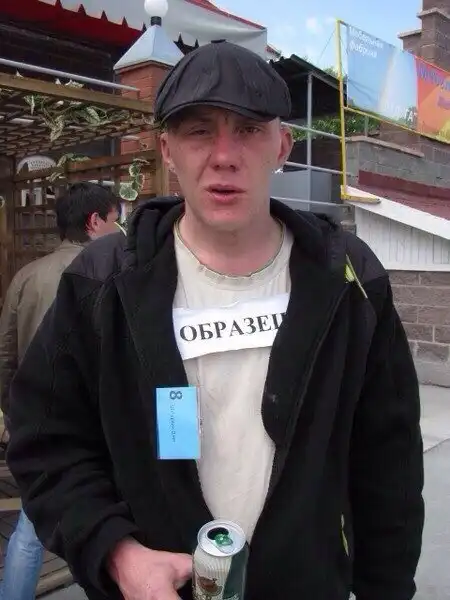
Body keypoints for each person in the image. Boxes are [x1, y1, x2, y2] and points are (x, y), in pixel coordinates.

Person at [6, 41, 423, 600]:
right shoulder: (103, 281)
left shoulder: (349, 280)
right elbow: (46, 443)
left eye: (248, 129)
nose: (225, 155)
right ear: (167, 150)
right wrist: (117, 553)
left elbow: (389, 465)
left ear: (282, 145)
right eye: (199, 130)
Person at [0, 182, 121, 600]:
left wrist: (14, 413)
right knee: (110, 527)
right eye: (115, 219)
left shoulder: (26, 275)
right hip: (100, 427)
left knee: (32, 525)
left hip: (39, 422)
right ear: (95, 221)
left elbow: (5, 353)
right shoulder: (110, 273)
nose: (119, 229)